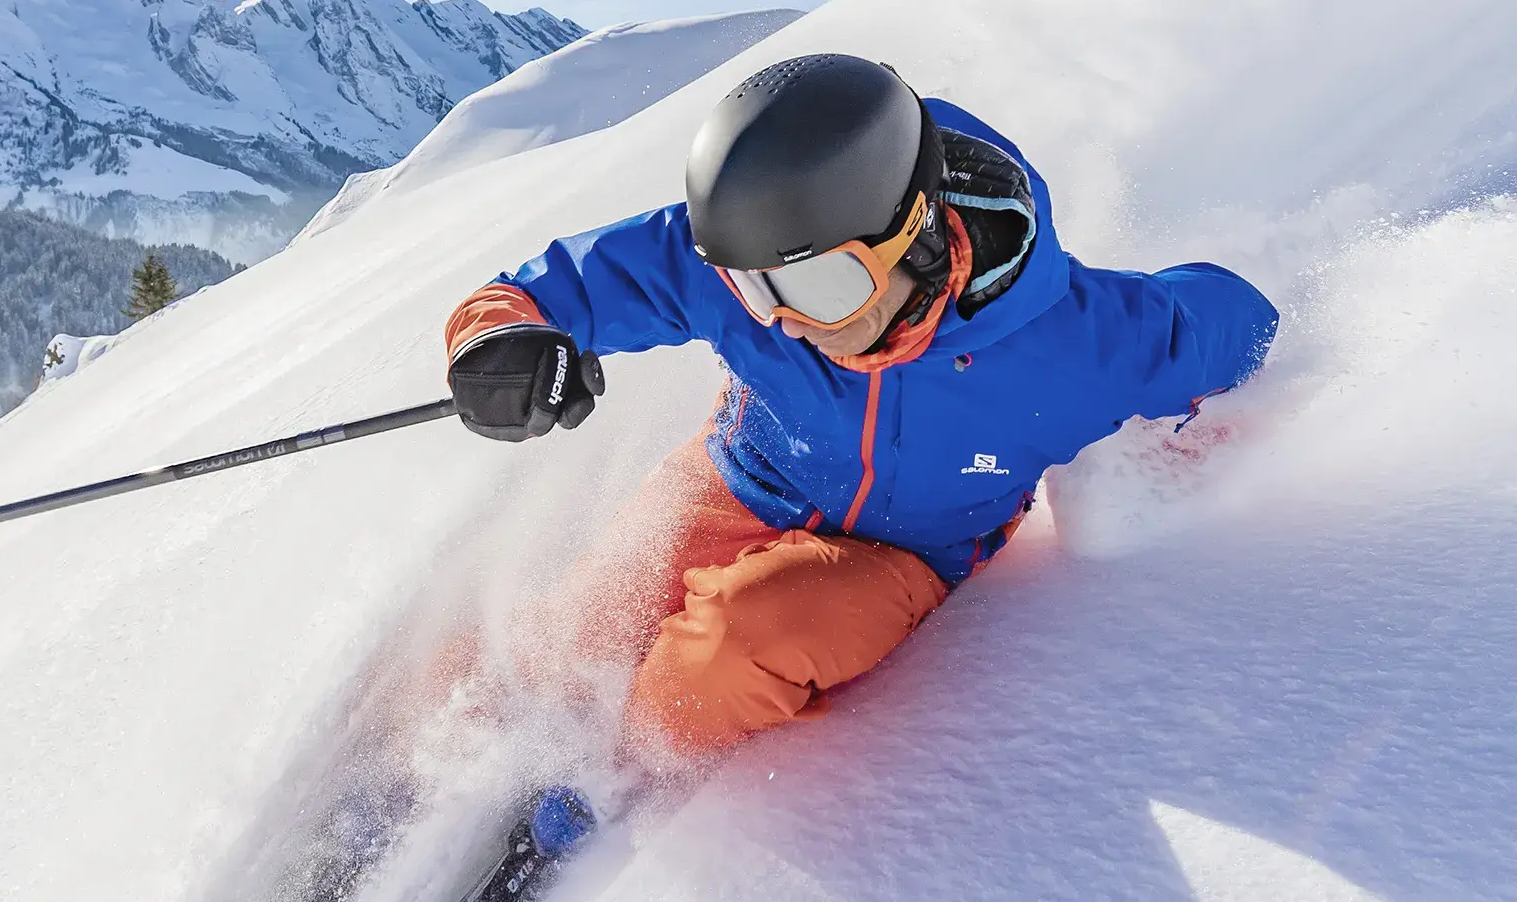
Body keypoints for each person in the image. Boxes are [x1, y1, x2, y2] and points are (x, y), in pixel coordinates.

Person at [444, 54, 1277, 756]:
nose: (787, 321)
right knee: (576, 639)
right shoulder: (754, 252)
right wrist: (502, 343)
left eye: (821, 286)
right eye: (750, 288)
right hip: (742, 474)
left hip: (903, 553)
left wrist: (1210, 432)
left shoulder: (1079, 344)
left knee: (722, 662)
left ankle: (614, 774)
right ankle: (460, 753)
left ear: (913, 231)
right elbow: (552, 290)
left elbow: (1233, 323)